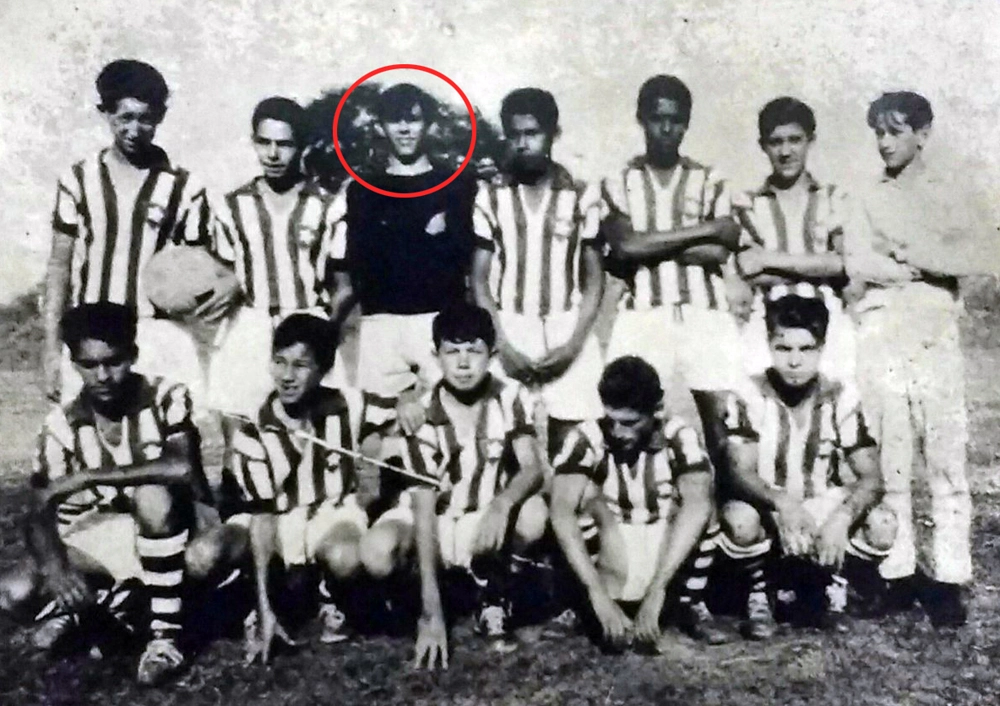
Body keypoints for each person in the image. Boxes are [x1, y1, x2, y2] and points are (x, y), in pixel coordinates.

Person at [0, 303, 240, 686]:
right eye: (88, 365)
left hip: (181, 526)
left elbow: (179, 467)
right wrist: (56, 567)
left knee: (152, 498)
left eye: (113, 362)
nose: (103, 376)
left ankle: (163, 638)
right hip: (112, 533)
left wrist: (88, 478)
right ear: (74, 363)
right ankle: (113, 607)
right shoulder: (61, 423)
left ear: (133, 355)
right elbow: (38, 508)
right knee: (12, 592)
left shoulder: (165, 397)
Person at [844, 91, 998, 627]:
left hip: (933, 328)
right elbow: (858, 258)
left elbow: (982, 253)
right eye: (879, 132)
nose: (885, 141)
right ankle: (898, 570)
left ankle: (950, 577)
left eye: (896, 130)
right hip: (884, 324)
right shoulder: (867, 192)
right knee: (893, 451)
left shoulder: (949, 191)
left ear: (922, 133)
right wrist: (901, 268)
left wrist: (916, 256)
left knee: (945, 454)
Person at [358, 303, 548, 668]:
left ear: (492, 355)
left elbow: (532, 468)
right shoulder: (421, 412)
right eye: (452, 352)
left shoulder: (510, 397)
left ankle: (495, 596)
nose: (463, 364)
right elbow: (424, 510)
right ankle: (424, 600)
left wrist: (501, 504)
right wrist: (433, 613)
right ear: (436, 356)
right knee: (376, 552)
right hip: (432, 519)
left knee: (534, 513)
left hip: (481, 514)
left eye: (474, 352)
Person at [43, 59, 235, 405]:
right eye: (125, 117)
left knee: (164, 439)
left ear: (159, 117)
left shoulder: (185, 187)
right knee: (89, 441)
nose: (135, 129)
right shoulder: (77, 179)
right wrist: (52, 349)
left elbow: (199, 271)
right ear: (105, 113)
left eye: (145, 118)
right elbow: (59, 267)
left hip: (156, 334)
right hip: (93, 335)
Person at [717, 295, 897, 639]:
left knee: (883, 523)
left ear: (822, 348)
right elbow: (740, 472)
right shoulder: (749, 393)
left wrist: (842, 518)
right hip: (766, 503)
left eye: (806, 349)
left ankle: (832, 588)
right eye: (784, 348)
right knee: (740, 522)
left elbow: (872, 477)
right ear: (770, 345)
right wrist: (782, 502)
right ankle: (761, 592)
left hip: (818, 503)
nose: (795, 361)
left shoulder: (840, 396)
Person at [219, 313, 390, 663]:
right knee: (203, 557)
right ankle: (263, 602)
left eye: (300, 365)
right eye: (279, 362)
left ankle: (330, 593)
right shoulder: (254, 427)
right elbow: (263, 519)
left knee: (344, 557)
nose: (287, 376)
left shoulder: (349, 403)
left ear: (324, 368)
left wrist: (408, 410)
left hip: (331, 512)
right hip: (275, 519)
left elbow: (398, 410)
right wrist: (264, 609)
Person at [599, 74, 744, 477]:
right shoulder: (619, 181)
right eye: (658, 118)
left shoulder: (709, 178)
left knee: (722, 422)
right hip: (643, 311)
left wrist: (652, 241)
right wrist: (703, 228)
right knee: (630, 416)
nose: (667, 129)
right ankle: (637, 510)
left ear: (687, 122)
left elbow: (722, 247)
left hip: (705, 309)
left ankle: (733, 517)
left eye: (677, 120)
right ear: (641, 119)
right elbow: (626, 246)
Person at [549, 356, 725, 652]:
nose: (617, 432)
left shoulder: (679, 435)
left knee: (703, 508)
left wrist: (657, 589)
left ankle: (688, 604)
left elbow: (697, 505)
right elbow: (561, 511)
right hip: (611, 548)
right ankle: (585, 606)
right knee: (583, 499)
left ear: (657, 410)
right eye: (611, 419)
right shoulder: (587, 436)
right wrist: (597, 593)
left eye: (629, 422)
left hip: (663, 549)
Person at [470, 87, 605, 454]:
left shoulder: (581, 194)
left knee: (576, 443)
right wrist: (501, 344)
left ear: (553, 134)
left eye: (533, 134)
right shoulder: (491, 195)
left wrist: (574, 344)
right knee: (506, 443)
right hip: (509, 324)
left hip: (567, 323)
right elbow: (479, 280)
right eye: (514, 135)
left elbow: (595, 278)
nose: (523, 143)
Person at [328, 83, 478, 406]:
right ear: (381, 126)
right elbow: (361, 263)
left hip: (438, 319)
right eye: (395, 120)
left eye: (414, 120)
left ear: (429, 125)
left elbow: (462, 253)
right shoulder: (362, 190)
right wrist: (425, 234)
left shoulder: (457, 183)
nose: (405, 129)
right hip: (381, 322)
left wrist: (400, 236)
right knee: (380, 426)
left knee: (441, 420)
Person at [209, 97, 345, 420]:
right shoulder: (231, 206)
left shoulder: (328, 206)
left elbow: (343, 285)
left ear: (302, 147)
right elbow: (223, 276)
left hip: (308, 322)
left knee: (312, 430)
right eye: (264, 142)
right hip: (250, 324)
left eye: (284, 144)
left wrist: (326, 333)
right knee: (240, 426)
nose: (272, 154)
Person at [733, 97, 857, 382]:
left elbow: (841, 263)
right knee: (760, 408)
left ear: (810, 141)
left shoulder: (832, 198)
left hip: (828, 320)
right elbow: (749, 272)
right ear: (763, 145)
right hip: (766, 321)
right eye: (776, 142)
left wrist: (769, 259)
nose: (786, 151)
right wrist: (816, 266)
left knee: (836, 404)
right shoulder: (748, 204)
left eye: (795, 140)